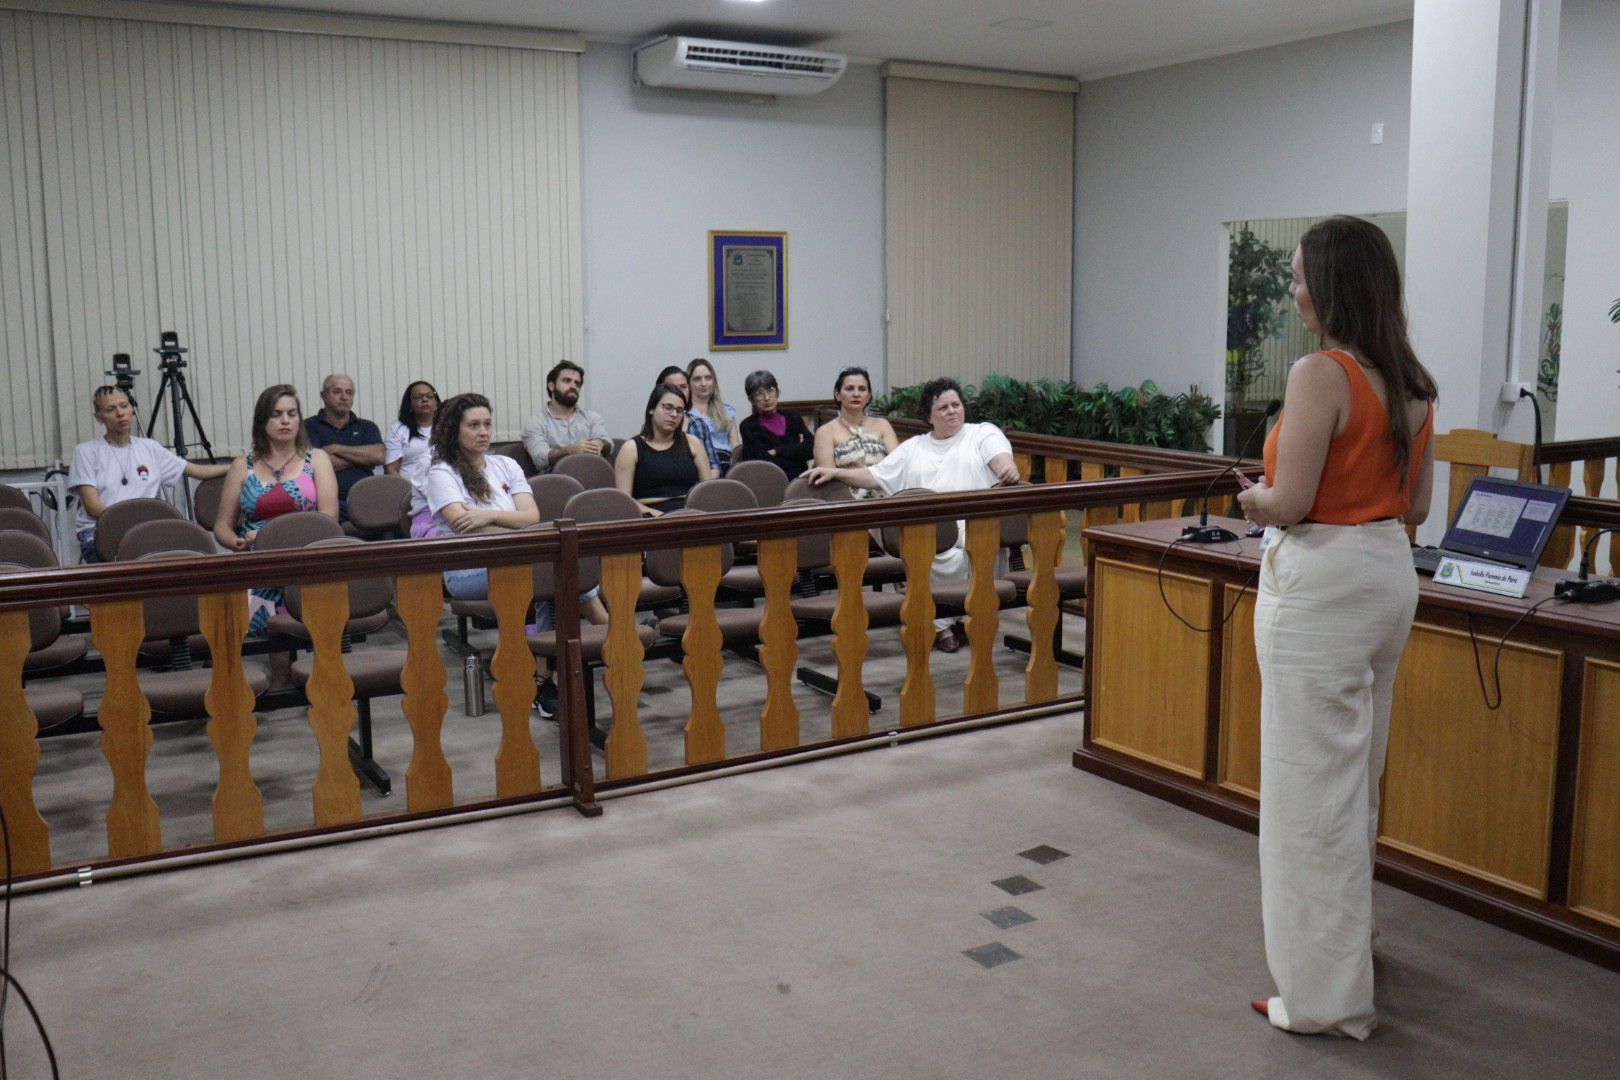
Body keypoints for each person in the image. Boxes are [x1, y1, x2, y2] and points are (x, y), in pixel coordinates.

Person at [1235, 215, 1437, 1040]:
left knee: (1305, 792)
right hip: (1386, 574)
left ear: (1335, 282)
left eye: (1297, 277)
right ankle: (1348, 948)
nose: (1291, 291)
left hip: (1319, 582)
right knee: (1356, 777)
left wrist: (1252, 496)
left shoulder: (1321, 372)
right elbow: (1419, 507)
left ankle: (1322, 997)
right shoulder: (1414, 383)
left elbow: (1289, 503)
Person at [803, 377, 1018, 652]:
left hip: (977, 529)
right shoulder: (915, 447)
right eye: (943, 408)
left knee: (973, 548)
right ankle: (941, 626)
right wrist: (837, 472)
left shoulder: (981, 433)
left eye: (956, 405)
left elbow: (1000, 458)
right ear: (929, 416)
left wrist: (1007, 467)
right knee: (938, 550)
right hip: (930, 533)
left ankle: (962, 619)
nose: (952, 411)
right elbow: (874, 475)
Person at [214, 385, 340, 634]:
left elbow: (328, 518)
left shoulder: (316, 459)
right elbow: (222, 526)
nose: (285, 421)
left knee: (320, 630)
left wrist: (273, 537)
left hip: (307, 557)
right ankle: (277, 671)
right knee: (264, 634)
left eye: (292, 414)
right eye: (276, 414)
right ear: (262, 420)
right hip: (258, 561)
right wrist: (237, 543)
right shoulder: (243, 465)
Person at [69, 386, 230, 563]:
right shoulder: (85, 451)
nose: (120, 413)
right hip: (101, 529)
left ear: (132, 409)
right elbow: (92, 506)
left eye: (124, 406)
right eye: (110, 409)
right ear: (99, 417)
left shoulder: (149, 447)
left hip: (145, 529)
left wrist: (236, 466)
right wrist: (135, 522)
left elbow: (196, 470)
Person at [422, 393, 540, 600]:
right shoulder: (440, 473)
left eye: (487, 424)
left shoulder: (507, 465)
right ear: (454, 431)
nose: (483, 432)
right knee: (552, 572)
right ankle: (610, 628)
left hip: (516, 556)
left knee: (561, 571)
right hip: (466, 569)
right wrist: (521, 535)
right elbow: (468, 528)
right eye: (474, 425)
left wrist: (490, 515)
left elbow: (531, 517)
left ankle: (552, 632)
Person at [614, 382, 714, 516]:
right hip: (650, 517)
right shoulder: (631, 448)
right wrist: (659, 516)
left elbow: (708, 491)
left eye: (679, 411)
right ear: (652, 409)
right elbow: (624, 501)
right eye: (668, 407)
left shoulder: (693, 443)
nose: (674, 414)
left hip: (690, 515)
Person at [303, 373, 383, 520]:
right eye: (337, 392)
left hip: (366, 499)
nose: (344, 397)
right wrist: (361, 459)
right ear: (323, 395)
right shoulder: (307, 427)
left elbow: (378, 456)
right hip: (325, 503)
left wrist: (335, 449)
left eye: (349, 393)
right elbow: (310, 467)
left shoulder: (367, 427)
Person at [812, 366, 899, 492]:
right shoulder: (826, 432)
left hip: (886, 496)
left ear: (868, 396)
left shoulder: (882, 425)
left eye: (862, 389)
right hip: (846, 499)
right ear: (838, 394)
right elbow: (828, 477)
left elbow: (897, 466)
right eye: (849, 389)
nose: (856, 394)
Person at [521, 361, 609, 473]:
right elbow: (540, 458)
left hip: (590, 477)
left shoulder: (592, 417)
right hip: (556, 483)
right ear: (551, 386)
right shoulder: (535, 423)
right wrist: (571, 450)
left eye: (577, 383)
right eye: (566, 381)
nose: (573, 386)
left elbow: (608, 444)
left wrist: (601, 443)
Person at [385, 380, 440, 538]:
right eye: (418, 397)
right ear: (409, 404)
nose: (424, 400)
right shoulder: (399, 429)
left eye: (429, 396)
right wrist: (415, 490)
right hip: (411, 493)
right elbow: (392, 469)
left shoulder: (447, 427)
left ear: (436, 402)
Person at [737, 370, 813, 481]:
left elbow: (811, 449)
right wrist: (797, 453)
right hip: (770, 482)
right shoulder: (748, 426)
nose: (767, 398)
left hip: (801, 480)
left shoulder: (793, 416)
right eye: (759, 393)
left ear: (777, 392)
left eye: (770, 390)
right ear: (751, 399)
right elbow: (762, 462)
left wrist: (777, 451)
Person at [685, 358, 737, 474]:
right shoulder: (684, 413)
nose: (704, 383)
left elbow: (735, 449)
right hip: (695, 465)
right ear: (689, 383)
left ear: (714, 381)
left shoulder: (726, 411)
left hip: (725, 464)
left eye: (708, 378)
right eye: (697, 379)